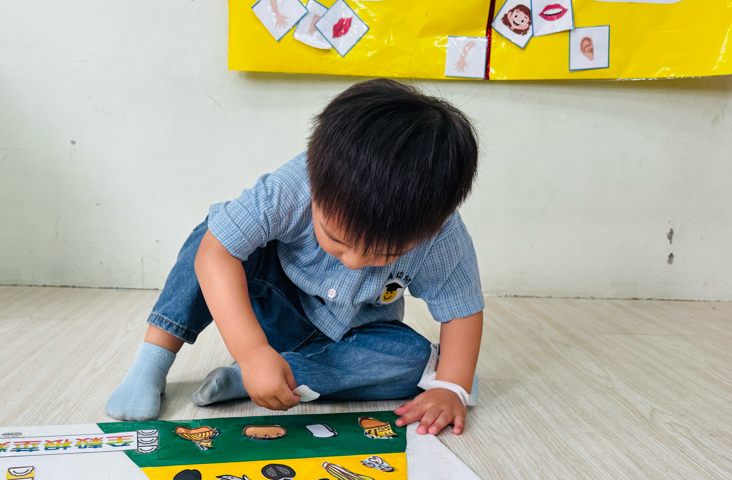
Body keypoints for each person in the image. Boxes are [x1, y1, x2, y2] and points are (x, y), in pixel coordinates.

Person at [107, 79, 483, 436]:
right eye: (335, 238)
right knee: (212, 236)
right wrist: (252, 352)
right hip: (272, 303)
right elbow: (215, 256)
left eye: (387, 254)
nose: (353, 262)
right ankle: (151, 364)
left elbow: (461, 309)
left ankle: (270, 378)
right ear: (314, 183)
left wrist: (451, 386)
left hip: (352, 334)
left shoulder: (442, 233)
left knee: (418, 362)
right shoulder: (292, 187)